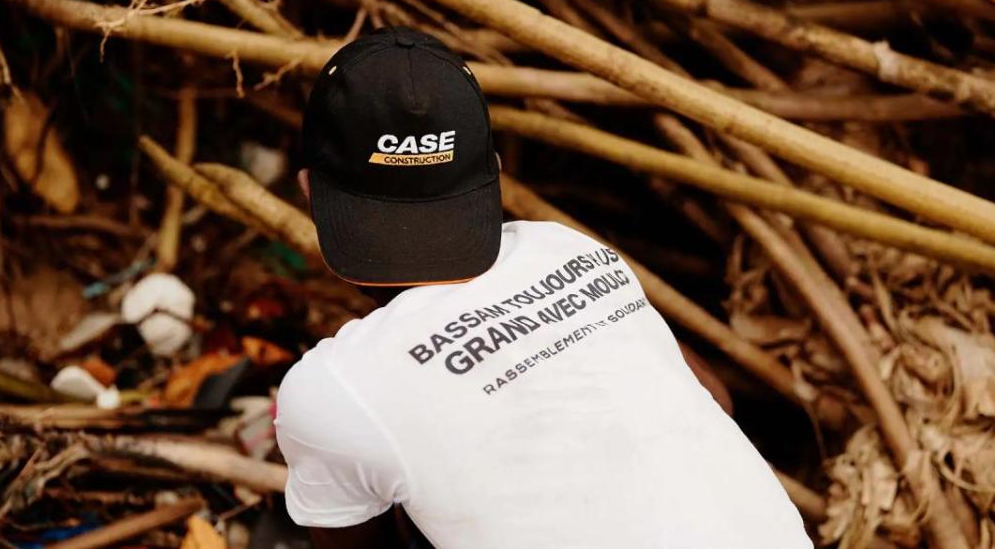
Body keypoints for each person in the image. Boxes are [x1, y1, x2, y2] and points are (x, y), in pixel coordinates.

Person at [275, 27, 813, 548]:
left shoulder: (336, 388)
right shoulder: (568, 252)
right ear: (496, 172)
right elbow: (714, 398)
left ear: (308, 191)